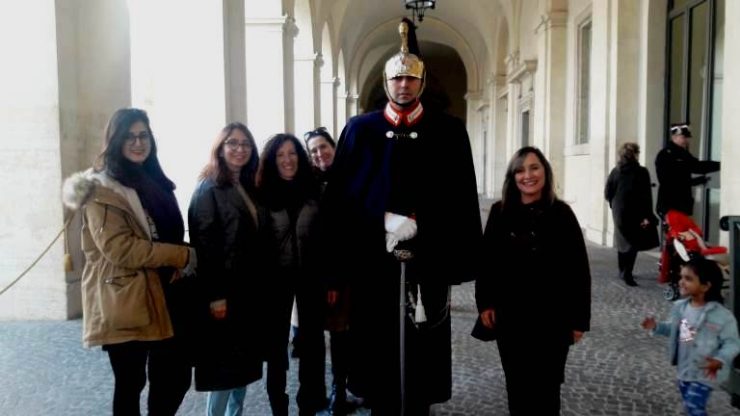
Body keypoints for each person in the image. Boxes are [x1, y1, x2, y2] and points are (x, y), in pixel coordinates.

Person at [321, 19, 482, 415]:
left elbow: (461, 196)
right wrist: (381, 220)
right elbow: (340, 200)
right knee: (377, 353)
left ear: (422, 82)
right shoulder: (360, 130)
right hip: (372, 263)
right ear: (386, 82)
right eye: (397, 78)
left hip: (428, 261)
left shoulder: (448, 131)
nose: (403, 85)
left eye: (411, 78)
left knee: (422, 350)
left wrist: (432, 229)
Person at [61, 108, 196, 415]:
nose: (138, 143)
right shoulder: (101, 188)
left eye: (143, 136)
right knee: (131, 382)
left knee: (174, 377)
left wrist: (179, 257)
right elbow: (120, 249)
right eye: (129, 136)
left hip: (167, 290)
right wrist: (181, 255)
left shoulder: (154, 180)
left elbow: (165, 232)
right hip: (125, 296)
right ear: (115, 140)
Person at [475, 146, 591, 416]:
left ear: (545, 171)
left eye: (534, 167)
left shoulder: (562, 213)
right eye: (520, 170)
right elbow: (487, 263)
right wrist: (485, 303)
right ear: (512, 177)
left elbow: (578, 270)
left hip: (553, 318)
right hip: (511, 316)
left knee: (547, 389)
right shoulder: (500, 212)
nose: (528, 175)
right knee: (517, 386)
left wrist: (579, 320)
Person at [188, 122, 265, 416]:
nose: (239, 149)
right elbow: (205, 248)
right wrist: (215, 295)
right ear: (220, 148)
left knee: (242, 365)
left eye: (245, 144)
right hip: (224, 292)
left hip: (247, 290)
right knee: (223, 368)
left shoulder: (246, 184)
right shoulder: (208, 189)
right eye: (232, 143)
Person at [257, 134, 326, 416]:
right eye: (280, 155)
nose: (287, 160)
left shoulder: (314, 188)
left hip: (311, 276)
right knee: (276, 347)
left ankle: (309, 403)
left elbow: (326, 236)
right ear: (272, 160)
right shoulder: (261, 192)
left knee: (313, 343)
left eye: (292, 153)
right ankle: (278, 404)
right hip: (275, 278)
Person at [305, 127, 361, 415]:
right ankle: (338, 393)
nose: (319, 153)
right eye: (313, 150)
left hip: (354, 270)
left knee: (352, 334)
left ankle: (355, 386)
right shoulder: (312, 185)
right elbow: (323, 237)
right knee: (338, 335)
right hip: (331, 276)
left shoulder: (349, 177)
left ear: (334, 147)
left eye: (323, 147)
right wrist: (332, 281)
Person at [642, 256, 740, 416]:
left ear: (705, 286)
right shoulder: (681, 308)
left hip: (705, 373)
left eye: (688, 279)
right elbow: (678, 331)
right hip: (685, 370)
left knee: (694, 406)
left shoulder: (722, 316)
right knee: (690, 406)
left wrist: (720, 359)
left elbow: (732, 343)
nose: (681, 282)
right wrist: (657, 327)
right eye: (681, 277)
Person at [605, 142, 659, 286]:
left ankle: (622, 270)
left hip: (619, 210)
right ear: (635, 155)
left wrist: (613, 205)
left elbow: (608, 192)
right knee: (633, 242)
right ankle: (627, 273)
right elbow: (646, 196)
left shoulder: (616, 171)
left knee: (622, 240)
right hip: (635, 211)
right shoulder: (641, 172)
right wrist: (648, 215)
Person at [655, 123, 720, 218]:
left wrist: (721, 165)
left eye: (687, 138)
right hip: (671, 204)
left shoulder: (683, 154)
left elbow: (697, 166)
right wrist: (694, 181)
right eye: (683, 137)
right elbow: (668, 181)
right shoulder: (665, 155)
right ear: (674, 137)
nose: (686, 140)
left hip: (682, 204)